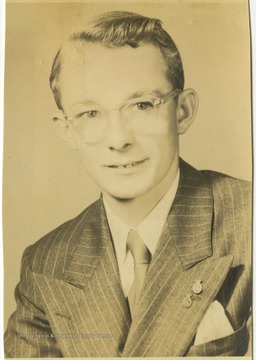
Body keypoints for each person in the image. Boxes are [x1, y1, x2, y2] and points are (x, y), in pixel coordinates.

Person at [4, 11, 251, 357]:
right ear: (66, 129)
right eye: (91, 113)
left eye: (142, 105)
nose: (118, 139)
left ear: (182, 111)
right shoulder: (46, 266)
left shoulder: (246, 223)